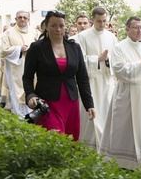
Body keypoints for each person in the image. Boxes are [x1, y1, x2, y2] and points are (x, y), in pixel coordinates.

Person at [100, 16, 141, 176]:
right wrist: (140, 64)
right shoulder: (119, 47)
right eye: (136, 27)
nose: (140, 31)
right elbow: (118, 69)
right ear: (127, 29)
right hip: (127, 95)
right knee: (126, 129)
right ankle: (124, 163)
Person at [23, 10, 96, 141]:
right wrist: (30, 95)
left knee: (71, 140)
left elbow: (82, 78)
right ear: (46, 26)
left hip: (71, 102)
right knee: (54, 140)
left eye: (61, 25)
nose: (58, 29)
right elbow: (27, 77)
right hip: (48, 102)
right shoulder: (36, 48)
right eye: (53, 25)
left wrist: (89, 104)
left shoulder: (75, 48)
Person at [76, 6, 118, 150]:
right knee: (91, 115)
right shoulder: (83, 36)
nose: (102, 24)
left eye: (104, 21)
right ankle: (88, 147)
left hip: (106, 81)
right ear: (92, 19)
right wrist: (97, 59)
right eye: (99, 21)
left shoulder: (111, 37)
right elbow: (80, 61)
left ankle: (107, 146)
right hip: (90, 81)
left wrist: (107, 60)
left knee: (106, 112)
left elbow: (116, 59)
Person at [0, 11, 39, 117]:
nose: (22, 19)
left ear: (28, 19)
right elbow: (4, 50)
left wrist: (32, 50)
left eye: (25, 17)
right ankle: (19, 116)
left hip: (33, 66)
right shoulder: (8, 33)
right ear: (15, 19)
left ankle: (32, 113)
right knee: (18, 90)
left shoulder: (35, 32)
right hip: (16, 67)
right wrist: (19, 49)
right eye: (20, 17)